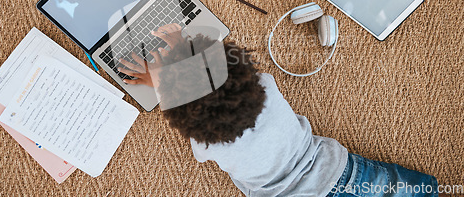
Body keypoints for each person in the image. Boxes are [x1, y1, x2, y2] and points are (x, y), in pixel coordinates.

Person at [117, 24, 444, 197]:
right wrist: (182, 46)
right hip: (345, 173)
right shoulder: (267, 86)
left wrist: (160, 81)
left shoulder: (206, 145)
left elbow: (186, 101)